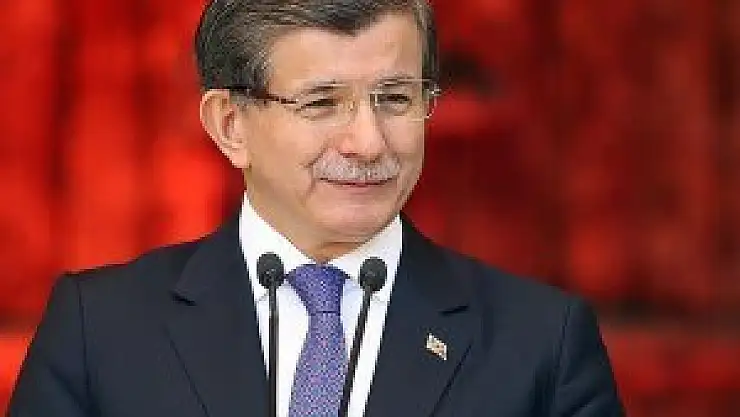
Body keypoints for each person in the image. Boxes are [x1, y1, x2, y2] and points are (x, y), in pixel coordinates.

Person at [8, 0, 625, 416]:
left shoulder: (542, 343)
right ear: (230, 125)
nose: (368, 142)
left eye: (395, 98)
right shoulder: (100, 329)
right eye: (322, 103)